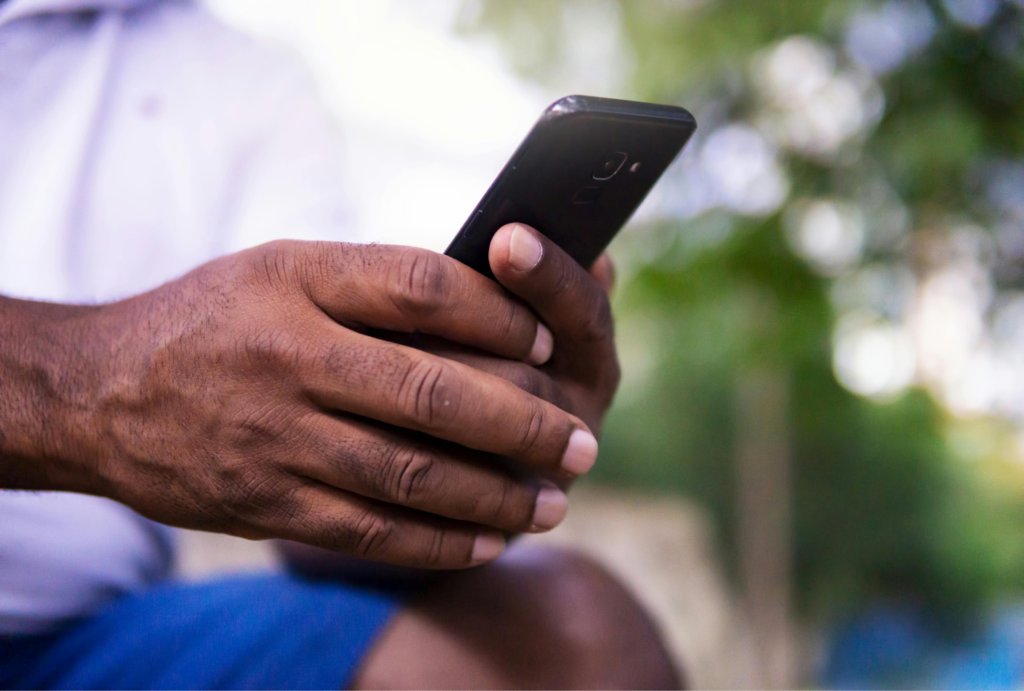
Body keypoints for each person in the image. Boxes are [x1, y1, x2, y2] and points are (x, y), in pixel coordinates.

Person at [0, 0, 683, 689]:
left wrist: (449, 460)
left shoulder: (249, 81)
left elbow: (300, 500)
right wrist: (92, 390)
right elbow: (120, 389)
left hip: (87, 640)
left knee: (579, 638)